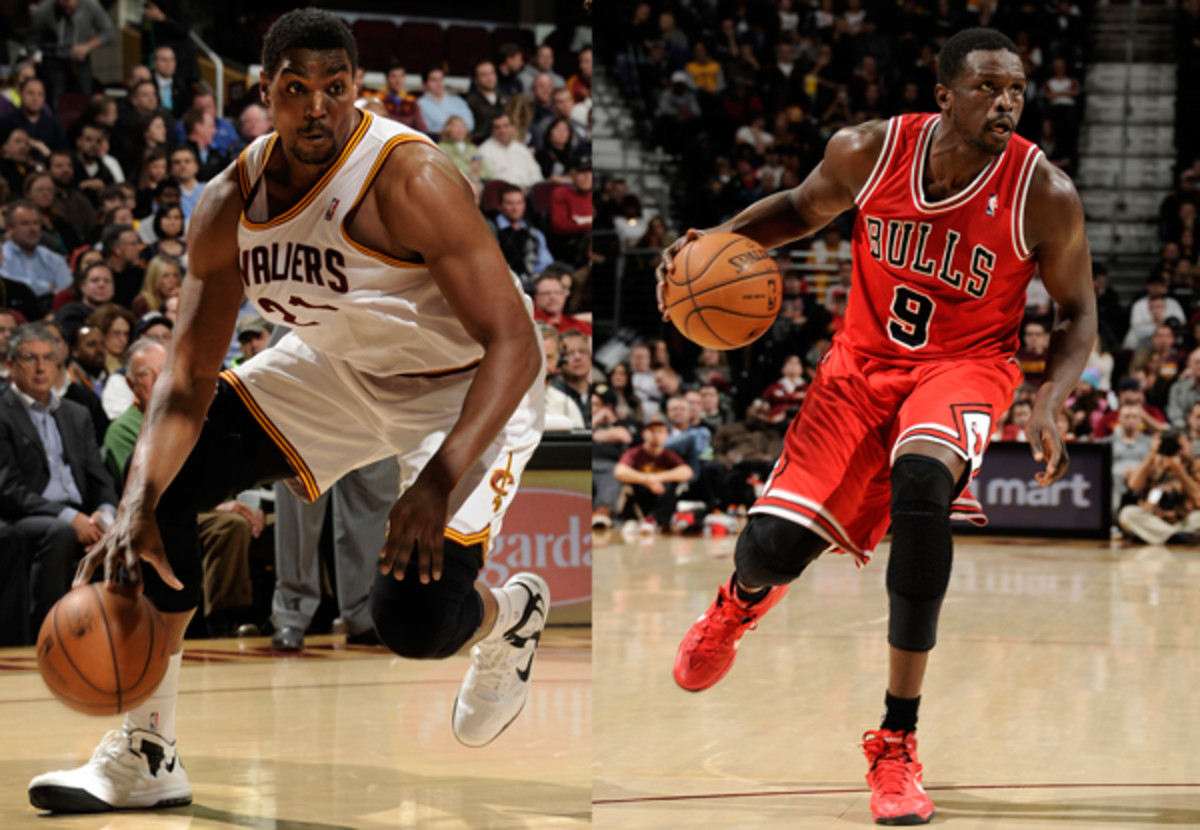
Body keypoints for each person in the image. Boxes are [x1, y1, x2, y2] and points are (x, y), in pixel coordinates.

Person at [28, 9, 548, 813]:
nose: (317, 108)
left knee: (414, 621)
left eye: (334, 89)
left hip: (468, 387)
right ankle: (146, 753)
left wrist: (441, 475)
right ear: (264, 92)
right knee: (164, 491)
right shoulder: (226, 203)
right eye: (296, 90)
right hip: (339, 368)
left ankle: (508, 616)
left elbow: (515, 340)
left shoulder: (409, 179)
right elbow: (188, 375)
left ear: (356, 90)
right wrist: (135, 501)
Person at [660, 29, 1096, 826]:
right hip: (860, 366)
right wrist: (715, 242)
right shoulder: (868, 150)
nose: (1006, 102)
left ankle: (896, 741)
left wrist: (1049, 397)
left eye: (1017, 90)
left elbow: (1077, 312)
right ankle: (736, 604)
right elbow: (797, 209)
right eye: (988, 87)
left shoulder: (1044, 191)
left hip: (965, 367)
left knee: (923, 486)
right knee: (771, 549)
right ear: (943, 95)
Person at [0, 323, 119, 641]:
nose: (40, 367)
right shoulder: (3, 412)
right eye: (30, 358)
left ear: (57, 365)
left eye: (48, 358)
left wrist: (104, 516)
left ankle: (118, 637)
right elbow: (8, 489)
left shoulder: (77, 414)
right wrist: (71, 518)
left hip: (81, 514)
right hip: (23, 516)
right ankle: (51, 635)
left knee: (126, 530)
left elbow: (99, 478)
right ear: (11, 365)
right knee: (60, 532)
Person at [27, 0, 116, 103]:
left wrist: (87, 46)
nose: (67, 12)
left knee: (84, 96)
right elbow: (32, 42)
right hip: (53, 59)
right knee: (56, 98)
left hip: (79, 60)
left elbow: (109, 33)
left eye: (71, 8)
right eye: (64, 8)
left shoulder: (90, 5)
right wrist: (31, 67)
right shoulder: (44, 9)